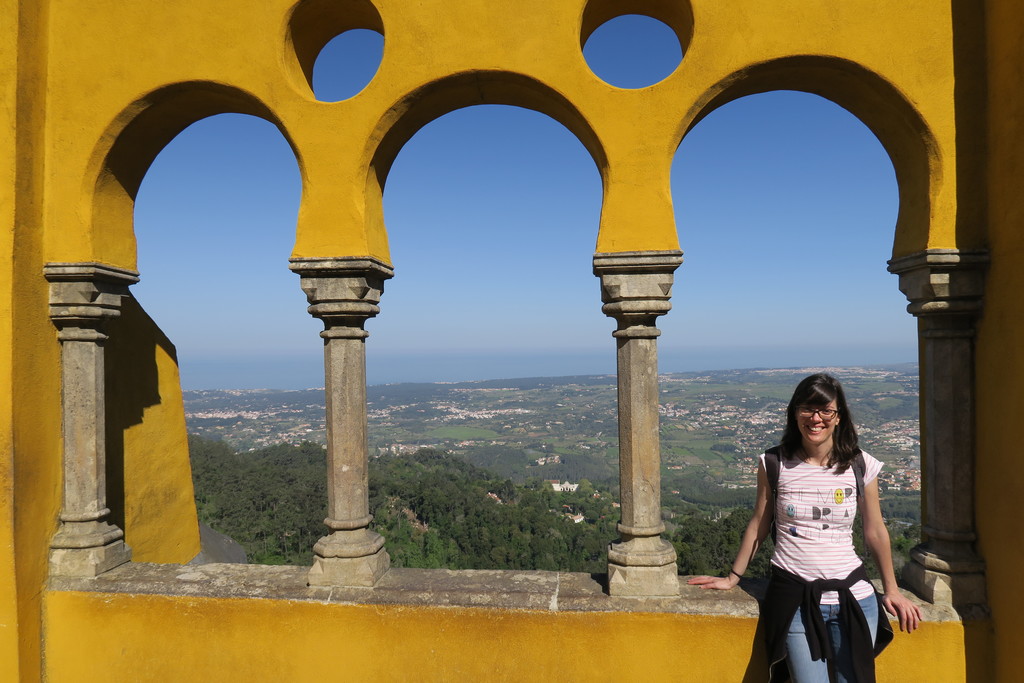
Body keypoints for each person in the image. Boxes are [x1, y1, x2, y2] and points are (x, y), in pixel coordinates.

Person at [687, 373, 922, 682]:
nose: (816, 418)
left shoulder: (860, 464)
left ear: (839, 417)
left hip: (855, 596)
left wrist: (891, 590)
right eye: (807, 409)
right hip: (795, 599)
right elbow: (759, 522)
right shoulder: (774, 463)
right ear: (794, 412)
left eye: (826, 410)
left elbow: (875, 530)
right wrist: (733, 578)